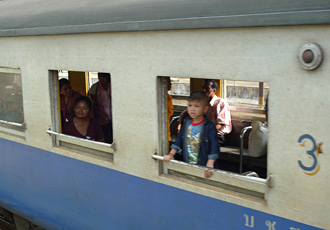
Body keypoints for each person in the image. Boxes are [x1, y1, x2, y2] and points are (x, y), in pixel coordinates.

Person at [164, 92, 220, 178]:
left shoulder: (209, 126)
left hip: (204, 164)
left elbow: (214, 145)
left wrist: (210, 161)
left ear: (205, 109)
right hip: (188, 163)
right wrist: (171, 154)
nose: (192, 109)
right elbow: (179, 140)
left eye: (196, 106)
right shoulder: (186, 123)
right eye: (190, 105)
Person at [89, 72, 113, 143]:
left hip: (115, 117)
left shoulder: (113, 85)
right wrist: (102, 116)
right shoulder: (95, 87)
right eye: (99, 77)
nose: (101, 79)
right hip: (102, 118)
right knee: (106, 137)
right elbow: (93, 104)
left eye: (103, 77)